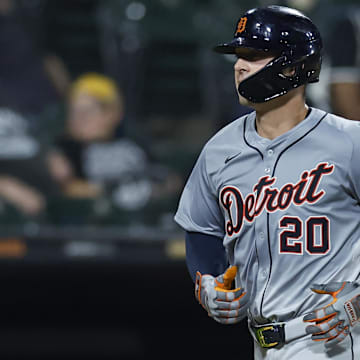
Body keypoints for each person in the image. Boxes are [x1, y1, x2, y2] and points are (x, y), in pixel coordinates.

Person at [174, 5, 360, 359]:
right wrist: (209, 283)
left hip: (336, 340)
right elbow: (200, 231)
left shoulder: (350, 143)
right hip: (264, 343)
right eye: (239, 55)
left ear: (293, 65)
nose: (239, 65)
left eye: (254, 55)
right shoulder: (220, 149)